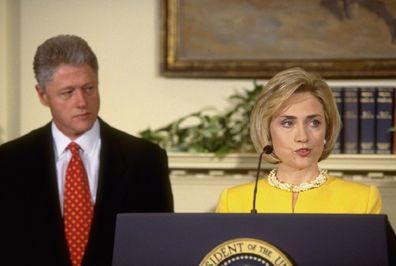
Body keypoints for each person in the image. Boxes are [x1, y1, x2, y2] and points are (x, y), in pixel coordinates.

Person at [0, 34, 173, 266]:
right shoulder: (8, 162)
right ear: (42, 95)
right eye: (67, 92)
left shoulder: (145, 159)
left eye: (89, 88)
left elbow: (161, 250)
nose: (82, 102)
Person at [216, 67, 381, 214]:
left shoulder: (362, 199)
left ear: (327, 128)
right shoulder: (234, 202)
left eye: (314, 122)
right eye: (288, 123)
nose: (302, 137)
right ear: (267, 130)